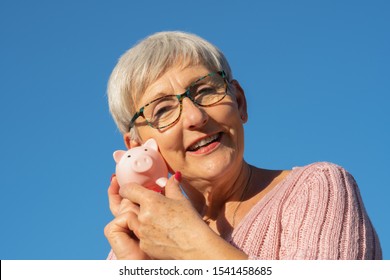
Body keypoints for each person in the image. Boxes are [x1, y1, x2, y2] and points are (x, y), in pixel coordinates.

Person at [104, 31, 382, 260]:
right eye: (163, 110)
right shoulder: (130, 246)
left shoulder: (318, 187)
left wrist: (193, 244)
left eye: (206, 90)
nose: (196, 116)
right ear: (137, 146)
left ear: (240, 102)